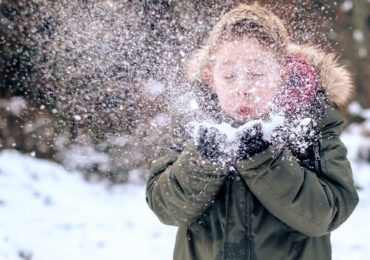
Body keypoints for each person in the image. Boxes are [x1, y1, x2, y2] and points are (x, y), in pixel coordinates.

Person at [146, 3, 359, 260]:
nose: (243, 88)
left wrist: (264, 158)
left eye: (257, 73)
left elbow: (328, 213)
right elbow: (165, 208)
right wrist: (204, 159)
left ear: (282, 75)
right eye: (229, 76)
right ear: (211, 79)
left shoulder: (310, 123)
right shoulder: (193, 126)